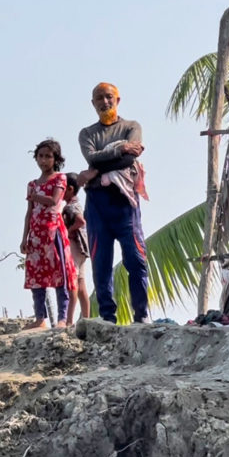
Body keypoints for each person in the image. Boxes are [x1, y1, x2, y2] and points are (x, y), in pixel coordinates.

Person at [78, 82, 149, 324]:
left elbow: (130, 158)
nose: (104, 102)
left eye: (109, 97)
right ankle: (108, 317)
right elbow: (91, 157)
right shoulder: (87, 133)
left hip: (125, 203)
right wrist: (120, 150)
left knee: (136, 259)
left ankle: (142, 314)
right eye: (99, 98)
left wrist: (96, 168)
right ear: (93, 103)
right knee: (101, 262)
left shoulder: (131, 126)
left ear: (118, 100)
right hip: (97, 203)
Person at [20, 139, 78, 329]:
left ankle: (62, 318)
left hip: (53, 233)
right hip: (36, 235)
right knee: (37, 277)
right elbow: (29, 212)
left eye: (48, 157)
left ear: (55, 159)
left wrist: (36, 197)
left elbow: (54, 201)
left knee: (59, 274)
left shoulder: (59, 179)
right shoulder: (32, 184)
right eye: (41, 156)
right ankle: (40, 318)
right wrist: (24, 237)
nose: (44, 160)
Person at [62, 172, 91, 324]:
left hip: (74, 245)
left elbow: (80, 221)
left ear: (70, 189)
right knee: (81, 284)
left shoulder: (71, 206)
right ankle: (86, 318)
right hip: (82, 248)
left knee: (72, 283)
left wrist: (69, 231)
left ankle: (69, 320)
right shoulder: (77, 203)